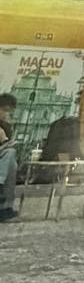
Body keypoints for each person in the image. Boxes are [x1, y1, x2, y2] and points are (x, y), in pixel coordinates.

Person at [0, 93, 18, 223]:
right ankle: (5, 207)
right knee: (10, 156)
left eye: (9, 112)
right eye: (5, 110)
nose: (6, 114)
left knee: (11, 157)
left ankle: (5, 206)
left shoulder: (5, 127)